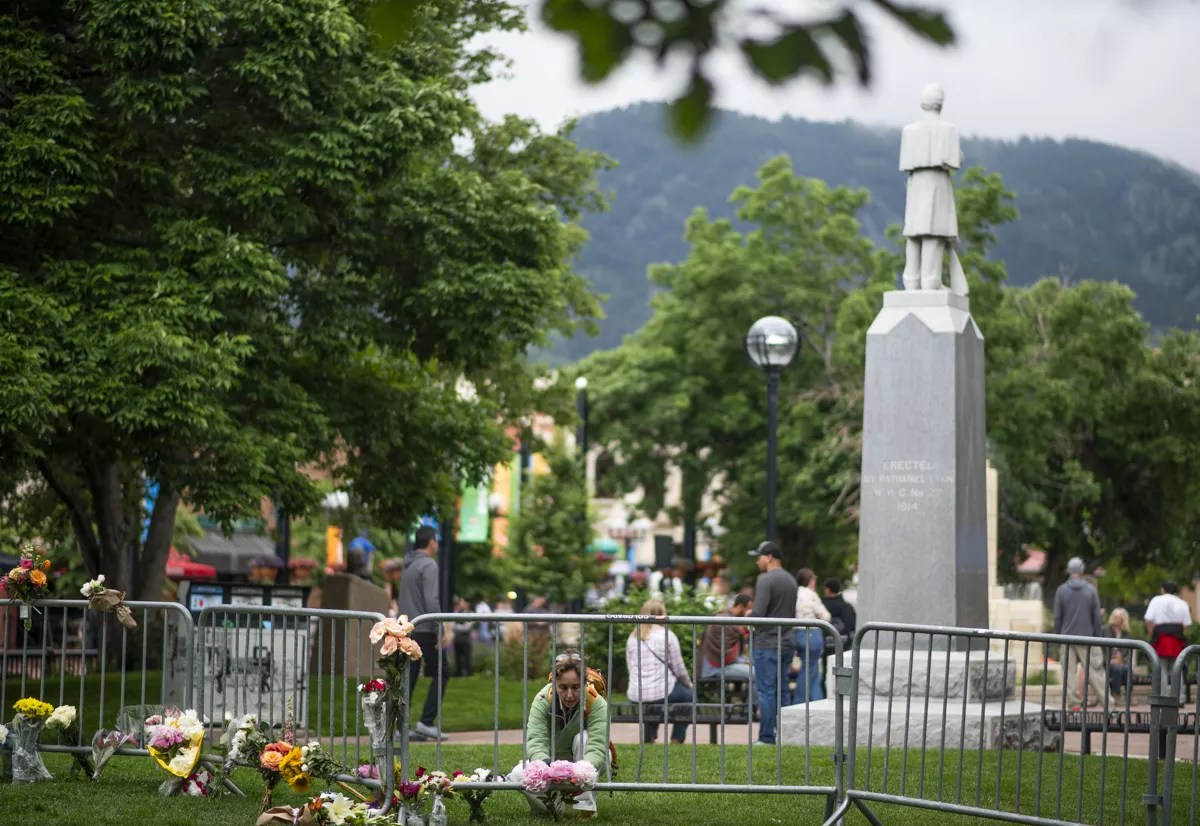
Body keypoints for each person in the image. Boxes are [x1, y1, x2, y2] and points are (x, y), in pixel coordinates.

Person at [518, 649, 610, 818]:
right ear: (554, 684)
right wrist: (546, 766)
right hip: (552, 762)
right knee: (518, 774)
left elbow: (597, 745)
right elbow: (536, 740)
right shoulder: (542, 699)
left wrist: (583, 770)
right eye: (563, 687)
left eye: (575, 687)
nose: (569, 695)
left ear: (584, 683)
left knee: (582, 739)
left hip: (588, 759)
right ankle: (552, 807)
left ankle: (586, 808)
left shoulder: (596, 702)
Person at [899, 82, 967, 293]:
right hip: (937, 184)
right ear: (940, 104)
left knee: (914, 233)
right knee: (933, 232)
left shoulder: (909, 131)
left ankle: (911, 280)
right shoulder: (949, 130)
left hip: (917, 184)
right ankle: (930, 280)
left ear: (923, 103)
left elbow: (906, 161)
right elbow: (954, 160)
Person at [398, 526, 450, 741]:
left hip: (408, 628)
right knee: (443, 671)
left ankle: (400, 727)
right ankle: (426, 722)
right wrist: (439, 627)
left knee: (409, 677)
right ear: (431, 541)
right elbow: (431, 600)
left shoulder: (408, 565)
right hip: (425, 628)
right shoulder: (429, 565)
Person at [747, 541, 798, 746]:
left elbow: (758, 613)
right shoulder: (791, 580)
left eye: (758, 557)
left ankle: (766, 737)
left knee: (766, 691)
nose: (757, 561)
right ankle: (785, 735)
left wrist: (747, 616)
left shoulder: (765, 580)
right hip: (786, 643)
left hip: (767, 643)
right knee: (782, 690)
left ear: (769, 557)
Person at [625, 598, 694, 744]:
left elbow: (630, 667)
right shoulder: (667, 635)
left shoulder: (633, 637)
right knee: (688, 696)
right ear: (663, 614)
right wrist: (689, 684)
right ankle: (677, 738)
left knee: (654, 696)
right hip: (660, 691)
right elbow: (679, 669)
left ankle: (650, 736)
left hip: (636, 693)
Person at [1052, 557, 1107, 709]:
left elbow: (1057, 618)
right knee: (1095, 672)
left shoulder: (1061, 590)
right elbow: (1096, 618)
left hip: (1066, 638)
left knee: (1069, 673)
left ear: (1069, 571)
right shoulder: (1091, 590)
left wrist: (1056, 637)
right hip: (1087, 637)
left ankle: (1074, 704)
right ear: (1082, 570)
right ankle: (1108, 704)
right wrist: (1098, 637)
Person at [1144, 580, 1193, 695]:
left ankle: (1163, 697)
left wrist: (1152, 634)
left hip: (1161, 637)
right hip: (1177, 639)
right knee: (1178, 669)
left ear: (1162, 589)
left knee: (1161, 668)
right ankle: (1179, 696)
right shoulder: (1182, 603)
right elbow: (1186, 625)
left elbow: (1148, 620)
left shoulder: (1156, 600)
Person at [792, 568, 831, 704]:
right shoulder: (812, 595)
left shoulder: (794, 593)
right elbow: (825, 616)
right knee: (809, 670)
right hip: (812, 634)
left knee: (812, 670)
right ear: (810, 580)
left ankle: (817, 700)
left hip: (797, 633)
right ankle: (799, 702)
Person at [699, 593, 753, 682]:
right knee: (756, 674)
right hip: (714, 668)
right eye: (749, 609)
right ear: (740, 607)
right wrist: (743, 661)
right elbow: (724, 654)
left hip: (721, 665)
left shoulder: (730, 619)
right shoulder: (724, 620)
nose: (750, 613)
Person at [1102, 607, 1132, 700]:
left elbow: (1127, 651)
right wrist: (1109, 660)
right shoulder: (1105, 630)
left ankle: (1128, 696)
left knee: (1127, 669)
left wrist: (1122, 659)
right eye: (1114, 616)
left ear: (1123, 619)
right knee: (1117, 668)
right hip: (1107, 661)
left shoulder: (1126, 633)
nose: (1115, 618)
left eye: (1118, 617)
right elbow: (1101, 649)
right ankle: (1116, 694)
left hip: (1121, 661)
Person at [452, 597, 475, 678]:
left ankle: (469, 673)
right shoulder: (457, 612)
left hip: (466, 639)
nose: (460, 603)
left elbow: (467, 628)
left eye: (462, 601)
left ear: (467, 603)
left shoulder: (471, 613)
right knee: (457, 657)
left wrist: (457, 627)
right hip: (457, 638)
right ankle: (458, 672)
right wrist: (461, 627)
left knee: (467, 657)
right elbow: (452, 625)